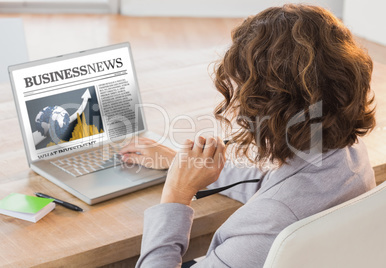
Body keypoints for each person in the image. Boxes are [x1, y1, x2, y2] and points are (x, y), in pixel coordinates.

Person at [119, 4, 376, 267]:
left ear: (270, 105)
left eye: (244, 90)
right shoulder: (350, 155)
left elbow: (274, 208)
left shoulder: (269, 226)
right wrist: (181, 164)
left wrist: (176, 194)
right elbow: (275, 187)